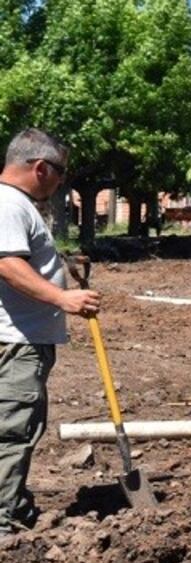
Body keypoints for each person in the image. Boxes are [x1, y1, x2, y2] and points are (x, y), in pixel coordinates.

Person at [0, 128, 102, 536]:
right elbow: (7, 264)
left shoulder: (14, 205)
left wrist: (58, 264)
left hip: (23, 338)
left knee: (18, 423)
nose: (61, 182)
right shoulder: (9, 204)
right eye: (60, 173)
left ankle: (14, 506)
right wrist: (62, 299)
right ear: (40, 167)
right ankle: (4, 519)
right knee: (12, 429)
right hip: (17, 340)